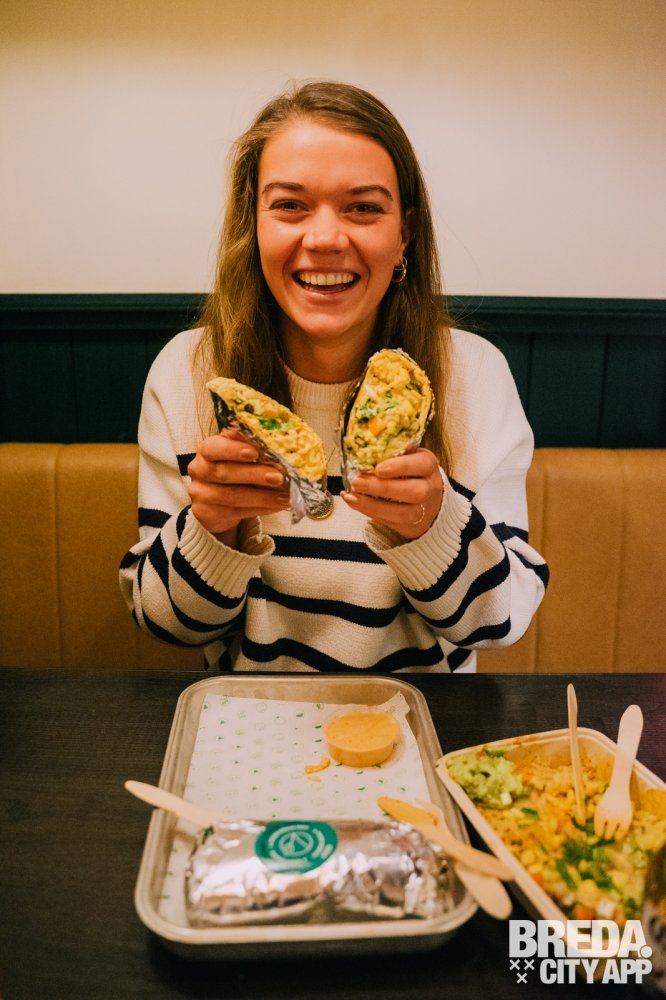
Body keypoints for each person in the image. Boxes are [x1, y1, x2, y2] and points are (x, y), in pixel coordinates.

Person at [119, 80, 549, 674]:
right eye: (290, 205)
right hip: (249, 716)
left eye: (363, 208)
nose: (324, 239)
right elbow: (166, 624)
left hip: (425, 716)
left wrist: (432, 525)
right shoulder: (190, 374)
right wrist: (213, 529)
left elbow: (501, 623)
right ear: (253, 225)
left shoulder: (473, 376)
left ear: (404, 234)